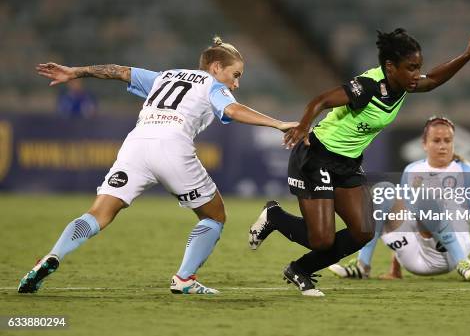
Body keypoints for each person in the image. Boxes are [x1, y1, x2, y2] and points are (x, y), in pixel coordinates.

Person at [18, 37, 297, 295]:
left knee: (98, 213)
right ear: (215, 67)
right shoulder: (213, 85)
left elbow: (118, 71)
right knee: (215, 216)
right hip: (172, 146)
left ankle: (53, 255)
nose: (235, 84)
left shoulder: (165, 76)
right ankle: (184, 279)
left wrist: (75, 72)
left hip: (136, 145)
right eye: (235, 75)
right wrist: (278, 123)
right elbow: (233, 110)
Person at [248, 29, 470, 296]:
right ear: (389, 67)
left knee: (363, 232)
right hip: (317, 157)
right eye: (410, 68)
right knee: (322, 239)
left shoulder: (403, 84)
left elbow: (431, 80)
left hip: (348, 164)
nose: (415, 74)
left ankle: (300, 270)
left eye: (417, 67)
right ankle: (275, 216)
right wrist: (304, 125)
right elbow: (322, 100)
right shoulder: (370, 86)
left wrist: (467, 55)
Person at [328, 116, 470, 282]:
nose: (442, 146)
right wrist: (395, 268)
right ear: (424, 144)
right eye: (436, 141)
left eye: (447, 140)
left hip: (451, 251)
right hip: (414, 255)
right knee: (383, 190)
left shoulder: (468, 172)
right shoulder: (413, 169)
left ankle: (463, 262)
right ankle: (362, 265)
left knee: (422, 197)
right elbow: (405, 215)